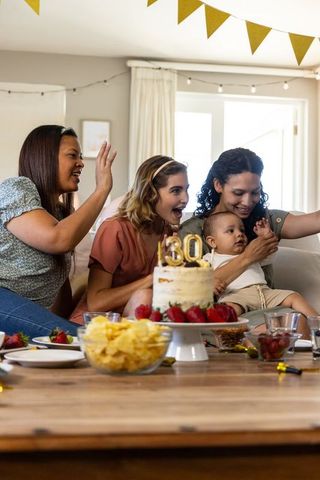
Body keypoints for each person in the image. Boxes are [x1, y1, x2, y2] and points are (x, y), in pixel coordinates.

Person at [179, 147, 320, 326]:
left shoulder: (264, 221)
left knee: (295, 323)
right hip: (222, 316)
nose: (247, 202)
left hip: (268, 306)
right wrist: (249, 256)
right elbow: (188, 292)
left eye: (255, 192)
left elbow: (315, 220)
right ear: (218, 185)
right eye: (238, 193)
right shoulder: (192, 232)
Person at [0, 124, 116, 337]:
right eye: (73, 155)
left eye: (80, 156)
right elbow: (58, 239)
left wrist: (67, 323)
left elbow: (60, 288)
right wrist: (102, 190)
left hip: (25, 312)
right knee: (86, 340)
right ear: (45, 158)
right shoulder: (16, 189)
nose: (81, 163)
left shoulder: (61, 215)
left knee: (76, 338)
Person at [70, 155, 189, 322]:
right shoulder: (115, 229)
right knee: (145, 296)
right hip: (94, 325)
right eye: (176, 191)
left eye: (186, 189)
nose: (185, 199)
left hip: (140, 322)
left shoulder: (168, 233)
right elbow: (96, 303)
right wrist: (152, 278)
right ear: (150, 193)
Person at [203, 211, 317, 336]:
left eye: (241, 230)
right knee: (228, 310)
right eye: (230, 231)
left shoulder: (252, 251)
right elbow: (202, 279)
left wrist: (266, 236)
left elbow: (269, 252)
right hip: (237, 295)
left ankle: (317, 322)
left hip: (264, 292)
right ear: (212, 242)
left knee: (294, 296)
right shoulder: (209, 259)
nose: (239, 234)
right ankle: (232, 333)